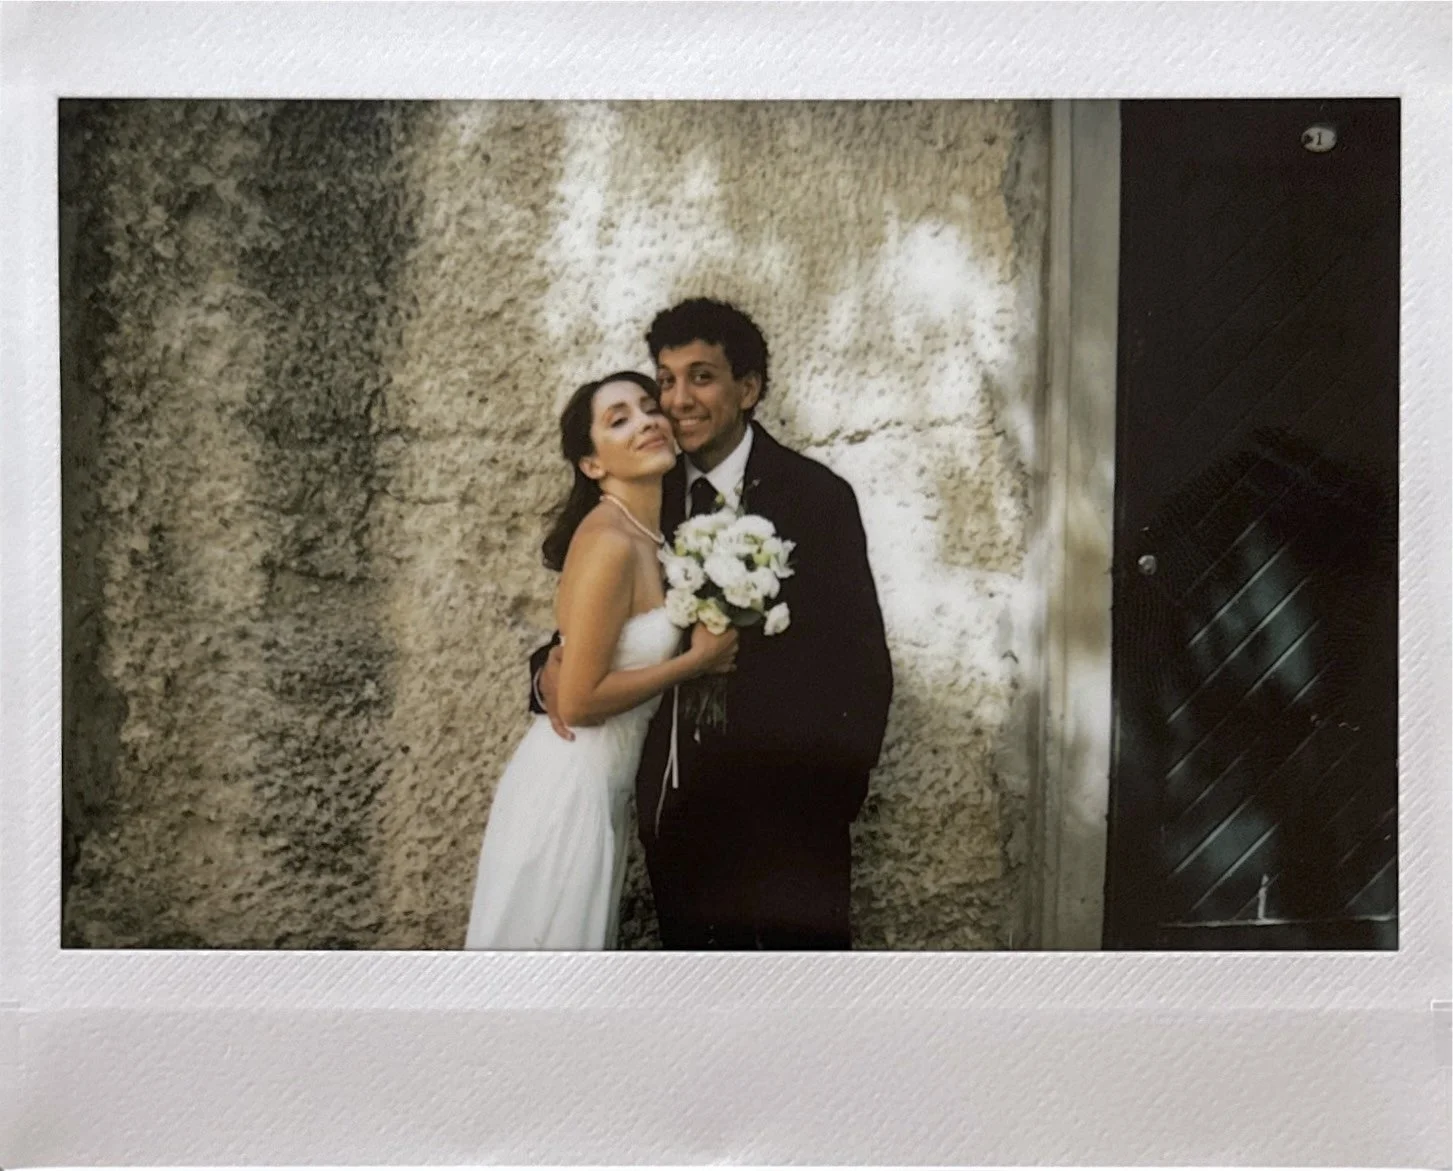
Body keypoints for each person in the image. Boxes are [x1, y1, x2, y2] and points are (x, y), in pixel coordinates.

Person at [532, 299, 894, 948]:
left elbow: (862, 663)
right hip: (681, 817)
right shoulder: (646, 493)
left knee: (805, 1006)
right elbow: (587, 625)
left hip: (793, 824)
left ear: (747, 388)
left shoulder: (814, 497)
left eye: (701, 376)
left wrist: (827, 798)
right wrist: (545, 674)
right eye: (665, 379)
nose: (677, 400)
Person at [465, 370, 738, 950]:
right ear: (592, 464)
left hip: (604, 791)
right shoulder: (609, 543)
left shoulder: (652, 538)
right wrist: (695, 663)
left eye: (648, 408)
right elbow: (579, 702)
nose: (646, 422)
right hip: (567, 791)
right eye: (620, 420)